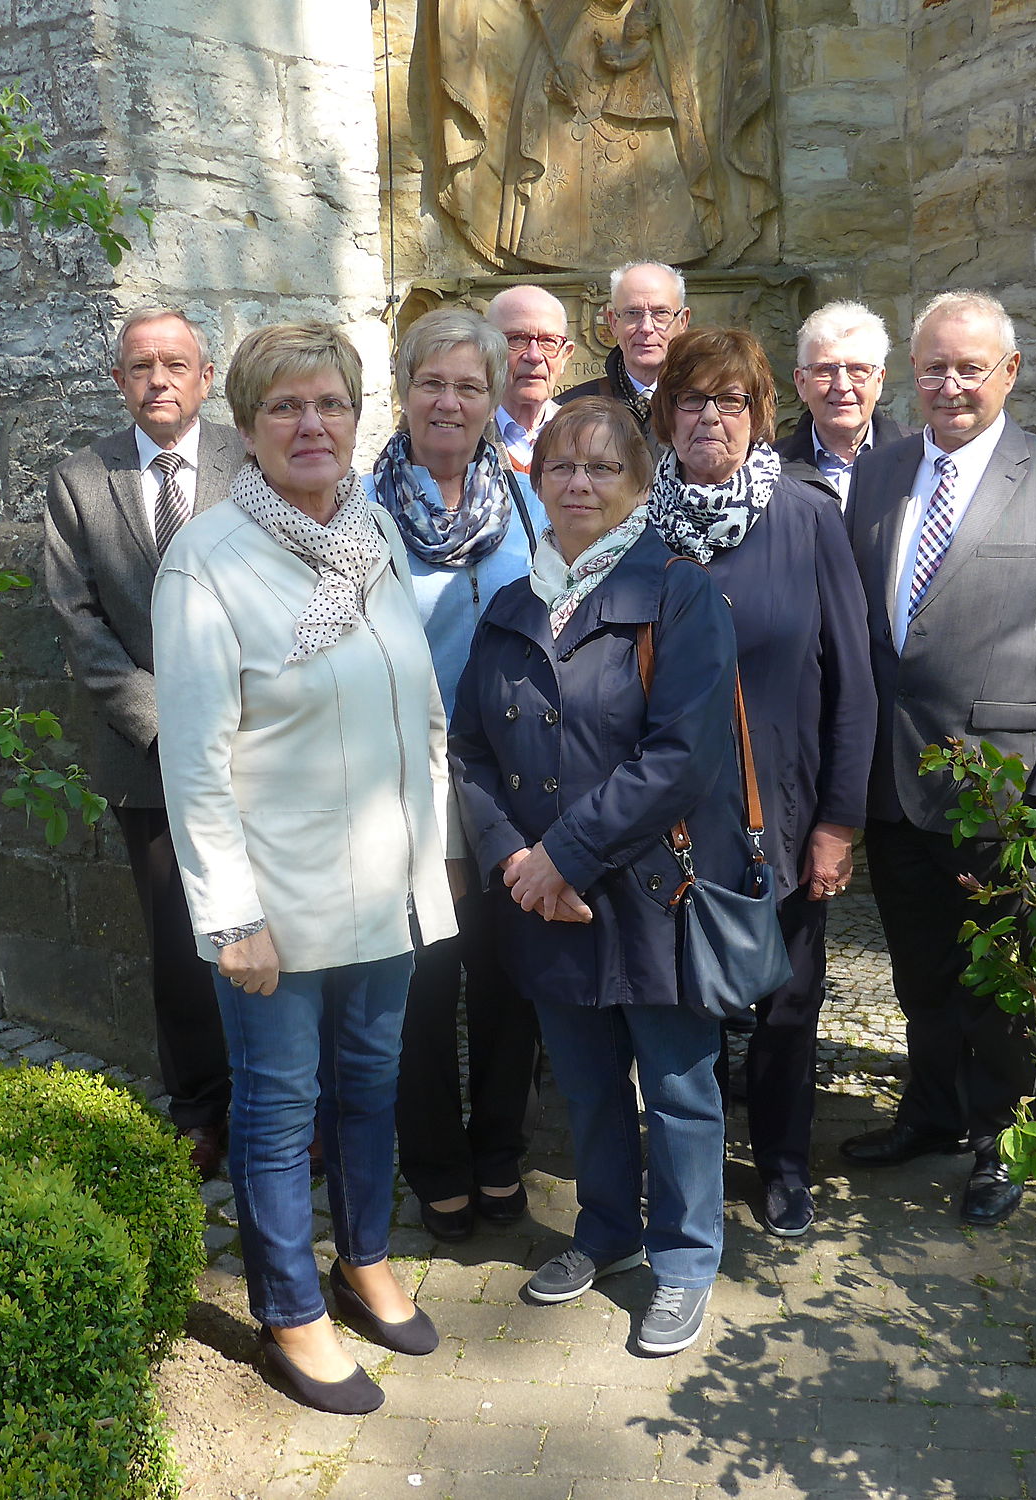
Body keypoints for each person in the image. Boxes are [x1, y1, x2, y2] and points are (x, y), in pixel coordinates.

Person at [153, 321, 459, 1415]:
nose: (311, 424)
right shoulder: (206, 563)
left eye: (330, 403)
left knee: (371, 1089)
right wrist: (231, 918)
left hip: (388, 889)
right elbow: (194, 763)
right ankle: (289, 1312)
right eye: (285, 407)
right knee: (281, 1111)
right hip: (277, 905)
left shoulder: (373, 533)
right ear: (245, 429)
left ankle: (363, 1261)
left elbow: (420, 706)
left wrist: (434, 856)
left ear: (356, 417)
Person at [449, 398, 740, 1356]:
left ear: (641, 485)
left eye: (603, 467)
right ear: (537, 482)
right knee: (586, 1084)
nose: (579, 482)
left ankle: (686, 1259)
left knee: (679, 1089)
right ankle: (609, 1230)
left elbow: (681, 758)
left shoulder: (680, 594)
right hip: (546, 901)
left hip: (652, 891)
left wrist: (561, 857)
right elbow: (469, 751)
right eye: (562, 466)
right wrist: (513, 859)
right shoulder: (510, 606)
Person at [841, 289, 1036, 1227]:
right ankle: (929, 1113)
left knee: (1002, 982)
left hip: (1003, 785)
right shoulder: (878, 474)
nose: (951, 386)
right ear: (910, 375)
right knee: (919, 970)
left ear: (1009, 372)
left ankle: (1005, 1139)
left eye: (970, 368)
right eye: (934, 368)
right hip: (894, 779)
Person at [646, 327, 875, 1238]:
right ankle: (689, 1164)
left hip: (781, 807)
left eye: (730, 401)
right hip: (665, 817)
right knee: (678, 999)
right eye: (691, 399)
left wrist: (838, 824)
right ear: (665, 415)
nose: (710, 417)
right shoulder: (636, 519)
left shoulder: (808, 516)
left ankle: (782, 1163)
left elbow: (853, 680)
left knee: (787, 998)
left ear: (759, 413)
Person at [43, 307, 235, 1179]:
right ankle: (198, 1108)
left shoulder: (251, 459)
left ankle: (280, 1101)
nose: (159, 379)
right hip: (148, 758)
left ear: (205, 377)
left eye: (176, 363)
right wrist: (163, 723)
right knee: (180, 945)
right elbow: (78, 619)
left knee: (275, 926)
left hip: (255, 742)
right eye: (141, 366)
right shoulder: (81, 480)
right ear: (119, 381)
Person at [372, 307, 543, 1244]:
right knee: (425, 981)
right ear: (404, 393)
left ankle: (500, 1149)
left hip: (513, 783)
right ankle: (435, 1160)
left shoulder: (525, 502)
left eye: (469, 386)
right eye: (432, 383)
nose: (449, 402)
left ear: (492, 399)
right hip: (406, 783)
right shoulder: (361, 510)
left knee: (511, 977)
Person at [778, 300, 912, 507]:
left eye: (858, 369)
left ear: (879, 382)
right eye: (825, 370)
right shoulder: (769, 471)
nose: (842, 386)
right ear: (802, 383)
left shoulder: (918, 459)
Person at [557, 262, 691, 430]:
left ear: (683, 321)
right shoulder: (571, 412)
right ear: (613, 322)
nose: (646, 327)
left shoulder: (706, 406)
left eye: (661, 313)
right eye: (632, 313)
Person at [485, 284, 576, 475]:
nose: (534, 356)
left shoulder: (586, 438)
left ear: (565, 356)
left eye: (548, 341)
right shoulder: (465, 439)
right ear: (488, 352)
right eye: (517, 339)